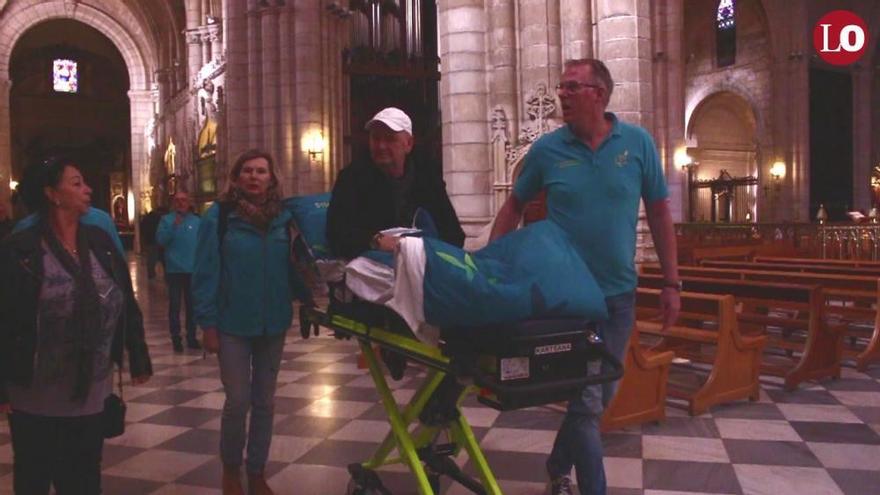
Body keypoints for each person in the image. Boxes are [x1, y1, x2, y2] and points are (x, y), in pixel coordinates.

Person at [490, 59, 681, 495]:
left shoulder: (637, 144)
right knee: (588, 401)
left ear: (600, 92)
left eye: (572, 87)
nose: (562, 94)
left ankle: (557, 465)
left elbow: (658, 212)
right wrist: (494, 262)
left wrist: (672, 283)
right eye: (561, 87)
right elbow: (513, 206)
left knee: (597, 398)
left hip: (618, 298)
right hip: (568, 299)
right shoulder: (547, 150)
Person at [0, 156, 153, 494]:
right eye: (77, 183)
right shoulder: (20, 249)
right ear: (52, 194)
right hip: (35, 390)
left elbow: (124, 299)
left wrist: (137, 352)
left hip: (90, 387)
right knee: (34, 476)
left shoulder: (99, 240)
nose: (88, 189)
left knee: (83, 478)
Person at [192, 149, 310, 495]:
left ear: (272, 178)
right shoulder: (221, 216)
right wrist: (208, 324)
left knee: (265, 402)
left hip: (272, 322)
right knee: (238, 400)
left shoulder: (285, 217)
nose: (254, 177)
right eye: (247, 171)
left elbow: (299, 261)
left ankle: (256, 470)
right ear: (236, 177)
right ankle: (231, 467)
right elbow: (205, 270)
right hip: (231, 323)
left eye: (261, 171)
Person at [327, 107, 465, 258]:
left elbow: (453, 233)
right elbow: (336, 235)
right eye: (376, 138)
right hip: (373, 259)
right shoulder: (352, 178)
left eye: (389, 139)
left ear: (408, 144)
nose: (381, 146)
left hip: (423, 257)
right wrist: (376, 241)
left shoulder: (427, 177)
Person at [156, 191, 201, 352]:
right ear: (173, 203)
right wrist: (173, 226)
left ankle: (192, 336)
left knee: (192, 306)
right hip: (174, 270)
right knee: (174, 305)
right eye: (177, 200)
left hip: (192, 270)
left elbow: (202, 244)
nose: (181, 203)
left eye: (183, 200)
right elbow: (161, 241)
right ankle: (176, 338)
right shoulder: (166, 220)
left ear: (189, 202)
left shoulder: (197, 221)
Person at [140, 206, 167, 279]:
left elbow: (142, 229)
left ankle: (151, 273)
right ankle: (164, 274)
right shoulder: (158, 219)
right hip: (155, 240)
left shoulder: (147, 218)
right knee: (159, 258)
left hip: (149, 240)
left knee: (151, 258)